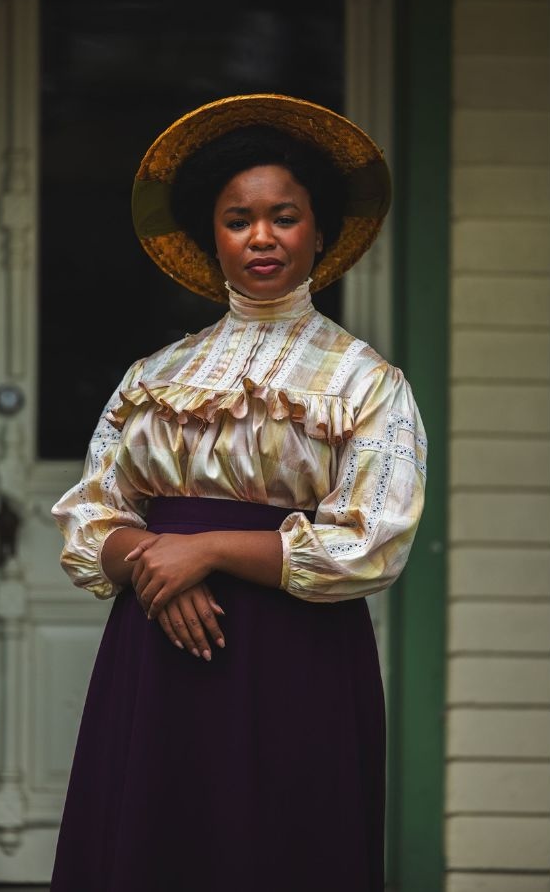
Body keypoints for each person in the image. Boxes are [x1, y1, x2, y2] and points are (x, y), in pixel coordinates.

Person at [50, 95, 426, 892]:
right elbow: (90, 515)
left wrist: (208, 550)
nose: (261, 237)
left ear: (319, 232)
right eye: (237, 219)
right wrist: (153, 561)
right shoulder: (153, 377)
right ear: (208, 238)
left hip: (294, 660)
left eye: (283, 216)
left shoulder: (366, 384)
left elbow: (371, 543)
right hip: (156, 654)